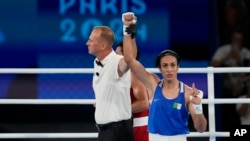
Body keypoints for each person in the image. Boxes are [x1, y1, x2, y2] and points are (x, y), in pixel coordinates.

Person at [122, 12, 207, 141]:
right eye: (165, 65)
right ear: (160, 68)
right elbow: (129, 59)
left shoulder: (188, 93)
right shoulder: (153, 84)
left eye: (173, 65)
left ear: (178, 67)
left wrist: (198, 107)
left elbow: (201, 128)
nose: (169, 69)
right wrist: (128, 30)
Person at [86, 25, 134, 141]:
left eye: (91, 40)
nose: (87, 43)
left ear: (102, 45)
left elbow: (130, 59)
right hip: (106, 131)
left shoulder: (117, 62)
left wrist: (129, 29)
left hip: (118, 132)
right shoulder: (97, 61)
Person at [115, 41, 152, 141]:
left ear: (126, 56)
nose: (114, 57)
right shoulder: (122, 75)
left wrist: (115, 111)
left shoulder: (133, 74)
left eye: (117, 54)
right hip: (127, 125)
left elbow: (144, 103)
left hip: (139, 128)